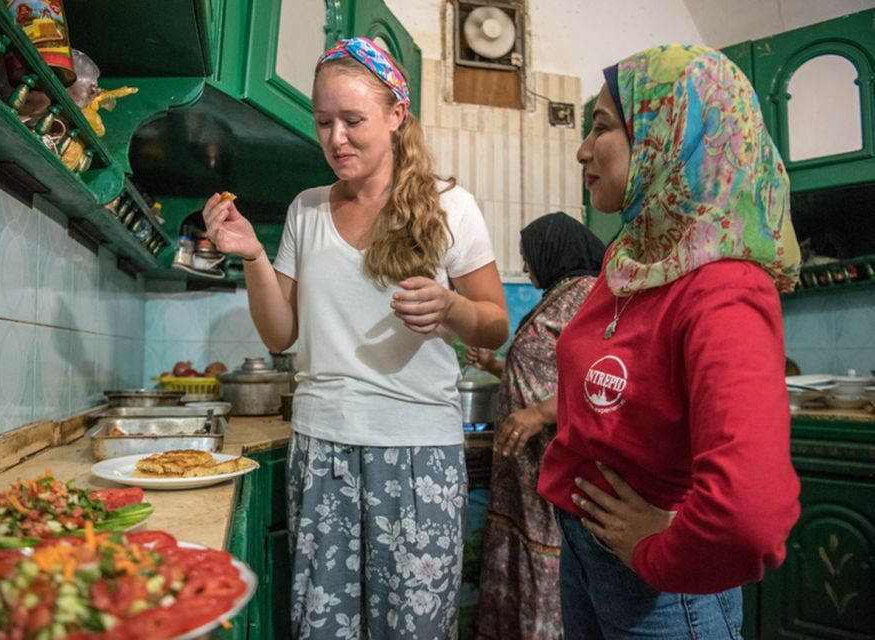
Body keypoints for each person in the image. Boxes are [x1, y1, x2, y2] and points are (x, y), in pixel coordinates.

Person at [202, 37, 508, 639]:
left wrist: (451, 307)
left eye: (352, 121)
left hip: (419, 452)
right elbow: (281, 332)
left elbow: (495, 322)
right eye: (323, 122)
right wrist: (253, 255)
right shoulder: (305, 210)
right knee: (325, 626)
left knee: (413, 630)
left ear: (396, 116)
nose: (335, 139)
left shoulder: (451, 207)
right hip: (323, 451)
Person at [536, 44, 802, 638]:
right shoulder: (630, 263)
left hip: (659, 589)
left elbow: (750, 514)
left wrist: (657, 551)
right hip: (588, 550)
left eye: (601, 127)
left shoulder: (724, 286)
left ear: (671, 135)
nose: (583, 149)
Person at [465, 212, 605, 640]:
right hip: (526, 469)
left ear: (553, 250)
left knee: (550, 561)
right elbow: (546, 370)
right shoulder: (560, 294)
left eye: (528, 257)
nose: (525, 267)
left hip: (553, 461)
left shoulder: (587, 295)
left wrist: (536, 415)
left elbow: (600, 384)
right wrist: (494, 364)